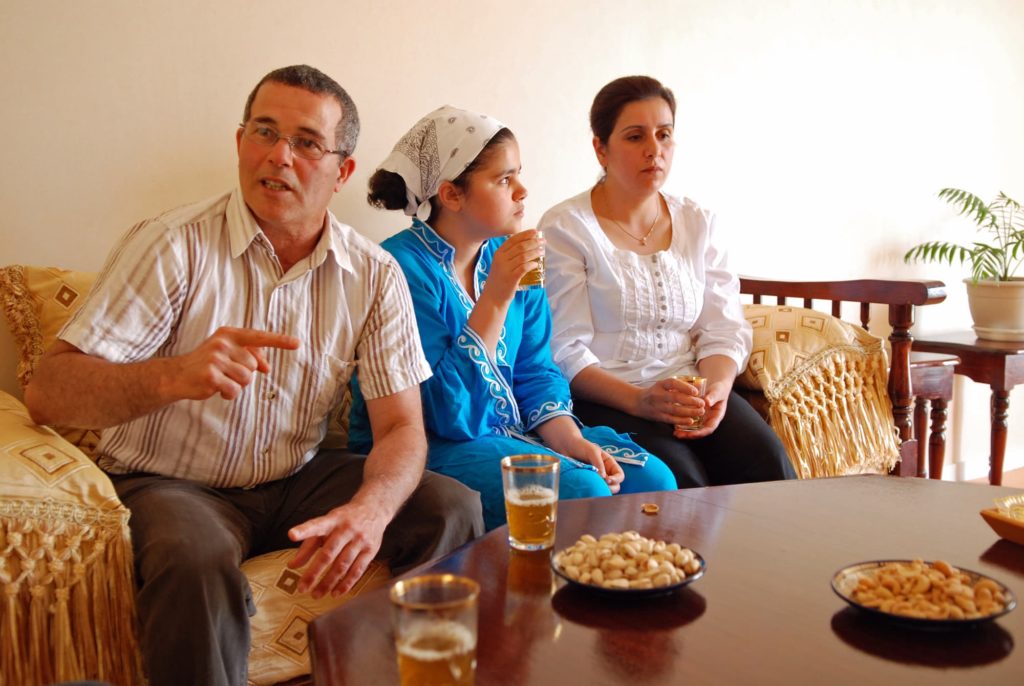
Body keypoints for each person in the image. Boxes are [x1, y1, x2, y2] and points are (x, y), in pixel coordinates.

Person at [24, 66, 484, 686]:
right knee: (194, 558)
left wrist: (371, 511)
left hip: (296, 479)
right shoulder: (173, 244)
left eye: (305, 142)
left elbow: (401, 425)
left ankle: (406, 674)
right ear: (240, 142)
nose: (278, 156)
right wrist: (172, 377)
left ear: (342, 170)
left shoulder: (373, 274)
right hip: (172, 485)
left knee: (450, 506)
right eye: (263, 132)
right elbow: (49, 393)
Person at [350, 106, 677, 530]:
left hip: (511, 431)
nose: (522, 190)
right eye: (505, 179)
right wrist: (497, 295)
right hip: (430, 443)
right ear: (451, 195)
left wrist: (571, 440)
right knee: (583, 493)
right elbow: (445, 415)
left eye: (518, 174)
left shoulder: (513, 259)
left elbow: (536, 369)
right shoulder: (399, 269)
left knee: (653, 479)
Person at [538, 75, 796, 488]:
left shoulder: (698, 222)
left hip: (689, 389)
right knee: (685, 480)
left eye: (664, 135)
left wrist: (715, 392)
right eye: (635, 136)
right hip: (608, 397)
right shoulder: (566, 228)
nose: (653, 150)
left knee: (766, 460)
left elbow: (723, 328)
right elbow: (564, 349)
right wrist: (640, 401)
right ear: (600, 148)